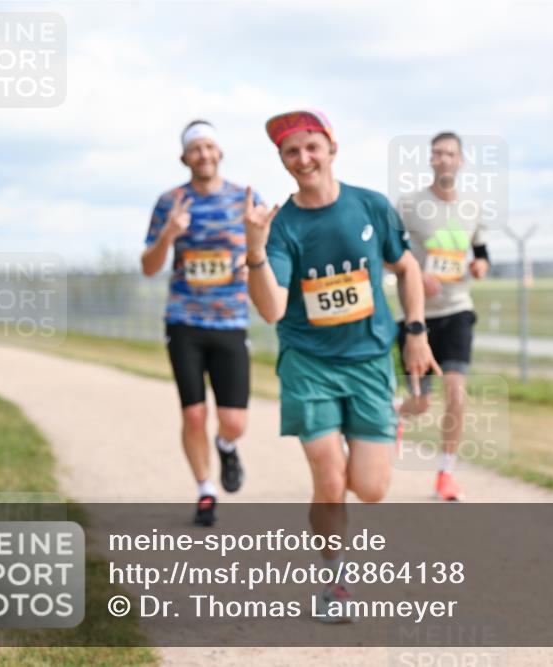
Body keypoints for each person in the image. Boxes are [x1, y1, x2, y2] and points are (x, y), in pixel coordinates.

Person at [245, 109, 440, 620]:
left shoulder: (370, 206)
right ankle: (333, 581)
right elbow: (270, 309)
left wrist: (415, 331)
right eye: (291, 152)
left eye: (312, 146)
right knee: (330, 480)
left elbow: (407, 266)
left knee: (371, 490)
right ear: (283, 161)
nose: (303, 158)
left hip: (371, 360)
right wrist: (254, 250)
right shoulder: (283, 226)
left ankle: (382, 424)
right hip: (308, 364)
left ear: (332, 147)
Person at [142, 120, 260, 527]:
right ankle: (205, 490)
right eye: (196, 149)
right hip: (184, 320)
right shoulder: (170, 202)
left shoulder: (245, 199)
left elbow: (270, 251)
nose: (204, 155)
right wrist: (169, 235)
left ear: (220, 152)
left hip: (230, 321)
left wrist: (252, 261)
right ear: (184, 158)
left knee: (234, 421)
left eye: (210, 147)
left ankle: (226, 445)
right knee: (193, 413)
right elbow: (148, 266)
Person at [395, 131, 489, 501]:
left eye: (450, 153)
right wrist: (417, 276)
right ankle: (396, 411)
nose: (443, 159)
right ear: (430, 160)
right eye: (437, 153)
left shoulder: (472, 208)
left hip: (457, 309)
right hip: (417, 316)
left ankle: (446, 475)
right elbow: (393, 253)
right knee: (420, 404)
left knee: (457, 394)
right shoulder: (409, 205)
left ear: (461, 161)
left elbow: (480, 250)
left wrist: (480, 264)